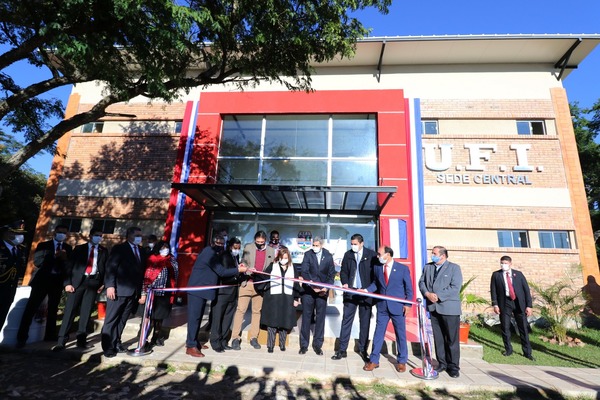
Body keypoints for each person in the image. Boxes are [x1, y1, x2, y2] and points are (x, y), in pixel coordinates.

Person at [186, 234, 247, 357]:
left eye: (221, 243)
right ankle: (190, 346)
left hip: (202, 291)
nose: (220, 246)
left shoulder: (214, 253)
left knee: (197, 318)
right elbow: (222, 272)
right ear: (212, 242)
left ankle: (195, 341)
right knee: (194, 319)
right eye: (217, 243)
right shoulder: (209, 253)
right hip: (197, 290)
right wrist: (238, 270)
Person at [17, 224, 73, 347]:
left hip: (56, 282)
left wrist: (65, 260)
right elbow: (37, 262)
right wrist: (54, 257)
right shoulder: (44, 245)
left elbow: (69, 267)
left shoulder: (68, 248)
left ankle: (50, 335)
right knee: (31, 308)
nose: (62, 235)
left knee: (53, 309)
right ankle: (22, 337)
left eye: (64, 233)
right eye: (60, 232)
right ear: (55, 233)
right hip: (41, 282)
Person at [53, 229, 108, 351]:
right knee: (70, 311)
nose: (98, 238)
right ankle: (61, 341)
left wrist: (102, 283)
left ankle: (81, 340)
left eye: (100, 236)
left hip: (93, 282)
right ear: (90, 236)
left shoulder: (103, 251)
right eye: (96, 235)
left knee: (86, 312)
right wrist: (67, 283)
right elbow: (69, 266)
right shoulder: (79, 249)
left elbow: (105, 267)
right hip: (78, 282)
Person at [362, 245, 413, 372]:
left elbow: (409, 289)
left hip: (397, 307)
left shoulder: (402, 269)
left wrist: (408, 304)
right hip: (382, 306)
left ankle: (401, 361)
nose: (378, 257)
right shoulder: (378, 268)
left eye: (380, 254)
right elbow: (376, 284)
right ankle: (374, 360)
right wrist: (365, 290)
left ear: (388, 255)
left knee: (400, 334)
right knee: (378, 333)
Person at [101, 226, 146, 357]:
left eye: (140, 235)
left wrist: (142, 291)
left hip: (133, 292)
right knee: (111, 319)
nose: (140, 238)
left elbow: (141, 273)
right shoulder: (119, 249)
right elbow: (111, 268)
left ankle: (117, 342)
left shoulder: (141, 251)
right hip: (118, 290)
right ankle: (108, 346)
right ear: (129, 236)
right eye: (137, 235)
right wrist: (110, 286)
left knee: (122, 320)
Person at [418, 246, 463, 378]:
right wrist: (427, 294)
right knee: (438, 338)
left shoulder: (454, 268)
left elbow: (455, 287)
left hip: (449, 308)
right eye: (432, 253)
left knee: (451, 339)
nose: (432, 255)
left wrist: (437, 295)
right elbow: (422, 282)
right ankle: (442, 363)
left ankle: (453, 366)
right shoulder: (428, 267)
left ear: (443, 255)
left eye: (434, 253)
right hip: (433, 308)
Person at [332, 233, 377, 361]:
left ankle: (363, 350)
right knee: (346, 320)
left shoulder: (371, 255)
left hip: (365, 293)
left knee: (365, 322)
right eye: (351, 244)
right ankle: (342, 350)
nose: (353, 246)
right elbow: (344, 272)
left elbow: (375, 275)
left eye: (355, 244)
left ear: (361, 243)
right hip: (351, 292)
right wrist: (345, 282)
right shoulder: (348, 255)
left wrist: (369, 290)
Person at [231, 230, 275, 350]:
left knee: (257, 312)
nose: (259, 244)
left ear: (265, 240)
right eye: (257, 242)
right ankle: (235, 338)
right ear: (254, 240)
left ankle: (254, 337)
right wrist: (249, 269)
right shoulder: (248, 247)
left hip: (260, 285)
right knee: (241, 310)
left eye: (262, 242)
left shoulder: (271, 251)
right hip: (247, 283)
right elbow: (243, 263)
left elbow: (271, 268)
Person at [490, 255, 534, 360]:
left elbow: (526, 290)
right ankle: (508, 349)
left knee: (523, 327)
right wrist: (495, 304)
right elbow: (493, 291)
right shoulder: (496, 275)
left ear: (510, 264)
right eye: (502, 263)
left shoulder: (518, 275)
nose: (503, 265)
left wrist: (529, 305)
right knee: (505, 327)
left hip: (518, 303)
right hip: (505, 303)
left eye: (505, 263)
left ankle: (527, 352)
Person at [298, 236, 336, 355]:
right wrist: (312, 285)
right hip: (309, 291)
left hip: (322, 292)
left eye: (317, 245)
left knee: (320, 318)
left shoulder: (328, 256)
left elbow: (331, 274)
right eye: (313, 245)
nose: (314, 247)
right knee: (306, 318)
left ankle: (317, 345)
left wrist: (326, 287)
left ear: (321, 245)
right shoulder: (308, 254)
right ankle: (304, 345)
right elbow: (304, 271)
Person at [259, 247, 301, 353]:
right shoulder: (272, 266)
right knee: (272, 322)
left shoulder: (293, 268)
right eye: (282, 257)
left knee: (284, 322)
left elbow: (296, 283)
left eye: (286, 258)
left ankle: (282, 344)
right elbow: (263, 277)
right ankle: (270, 345)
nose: (284, 259)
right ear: (279, 257)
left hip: (287, 299)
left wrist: (296, 298)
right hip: (273, 298)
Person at [139, 240, 179, 348]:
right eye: (163, 247)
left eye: (167, 247)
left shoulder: (172, 260)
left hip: (166, 294)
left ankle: (156, 338)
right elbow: (146, 278)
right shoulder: (152, 259)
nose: (165, 249)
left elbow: (175, 276)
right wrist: (143, 293)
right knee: (149, 317)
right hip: (152, 294)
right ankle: (143, 338)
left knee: (160, 318)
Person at [209, 237, 243, 352]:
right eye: (235, 248)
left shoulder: (235, 256)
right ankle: (215, 342)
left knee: (227, 318)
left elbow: (237, 271)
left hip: (233, 292)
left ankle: (223, 341)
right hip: (222, 292)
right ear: (230, 246)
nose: (237, 250)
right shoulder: (224, 256)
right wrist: (238, 273)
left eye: (239, 248)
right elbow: (224, 274)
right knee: (217, 318)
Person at [0, 220, 27, 332]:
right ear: (7, 233)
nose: (20, 236)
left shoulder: (19, 250)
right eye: (17, 233)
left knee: (1, 317)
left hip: (9, 291)